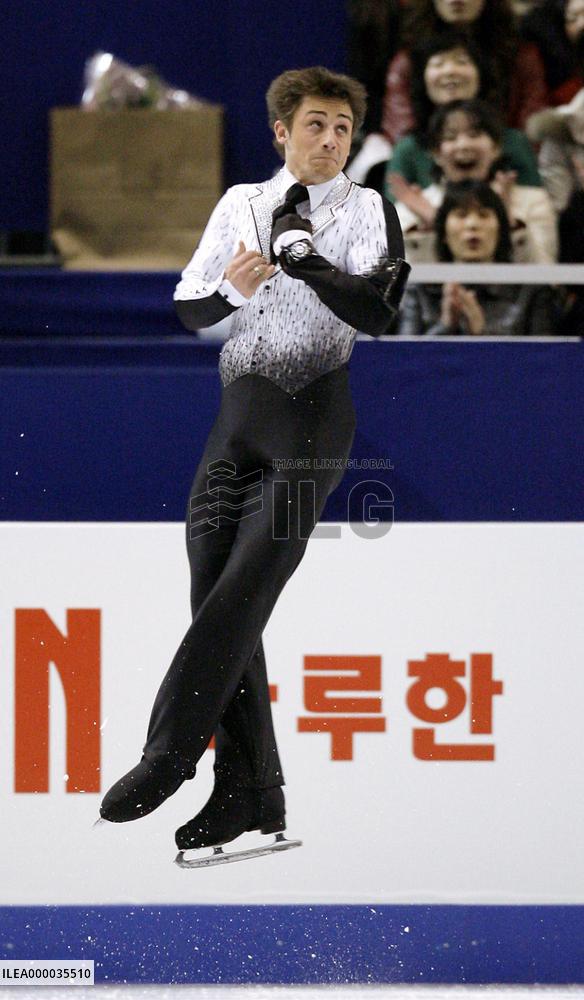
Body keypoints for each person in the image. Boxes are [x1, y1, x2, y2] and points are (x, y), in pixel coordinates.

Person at [99, 66, 409, 862]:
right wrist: (232, 297)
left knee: (243, 588)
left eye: (343, 126)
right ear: (282, 131)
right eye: (316, 124)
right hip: (236, 422)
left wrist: (306, 260)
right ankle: (251, 788)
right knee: (215, 592)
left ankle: (169, 753)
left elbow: (379, 311)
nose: (332, 139)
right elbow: (187, 305)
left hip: (313, 418)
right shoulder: (241, 203)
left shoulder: (370, 209)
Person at [392, 99, 558, 262]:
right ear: (435, 153)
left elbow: (545, 275)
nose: (463, 145)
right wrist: (431, 228)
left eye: (474, 135)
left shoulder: (533, 201)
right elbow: (406, 285)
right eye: (451, 137)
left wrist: (509, 224)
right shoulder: (410, 209)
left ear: (496, 148)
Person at [383, 36, 541, 198]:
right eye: (438, 64)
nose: (450, 71)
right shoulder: (408, 149)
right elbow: (391, 216)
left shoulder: (513, 141)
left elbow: (536, 207)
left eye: (461, 62)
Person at [398, 181, 558, 335]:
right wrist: (446, 326)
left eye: (484, 215)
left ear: (501, 231)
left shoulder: (531, 291)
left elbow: (543, 359)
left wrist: (481, 333)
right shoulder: (420, 291)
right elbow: (402, 359)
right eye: (461, 215)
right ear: (444, 233)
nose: (472, 224)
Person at [381, 0, 550, 144]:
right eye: (439, 64)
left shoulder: (520, 56)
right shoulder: (408, 60)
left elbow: (533, 129)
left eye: (461, 62)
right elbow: (401, 131)